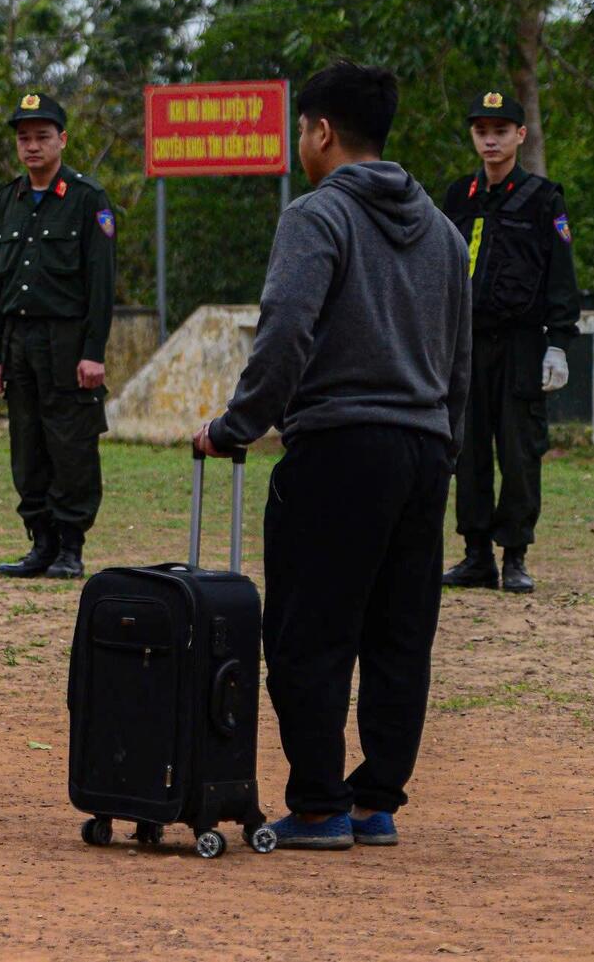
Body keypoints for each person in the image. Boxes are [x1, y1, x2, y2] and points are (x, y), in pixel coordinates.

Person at [195, 60, 470, 851]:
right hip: (424, 452)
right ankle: (375, 797)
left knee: (308, 635)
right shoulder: (447, 235)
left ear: (320, 131)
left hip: (341, 448)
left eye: (300, 131)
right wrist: (441, 446)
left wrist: (237, 423)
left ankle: (318, 805)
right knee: (397, 635)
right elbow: (459, 362)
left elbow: (284, 332)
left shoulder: (316, 217)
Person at [439, 91, 579, 595]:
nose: (490, 139)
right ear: (474, 136)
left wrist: (559, 343)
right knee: (467, 450)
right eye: (482, 130)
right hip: (467, 344)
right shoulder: (460, 196)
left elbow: (562, 276)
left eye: (501, 130)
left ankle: (514, 555)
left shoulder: (544, 199)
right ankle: (476, 555)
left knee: (519, 453)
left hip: (522, 342)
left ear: (520, 135)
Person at [0, 93, 117, 580]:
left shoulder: (87, 200)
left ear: (62, 139)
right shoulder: (7, 200)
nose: (32, 146)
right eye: (23, 138)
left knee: (71, 445)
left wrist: (93, 352)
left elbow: (101, 284)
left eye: (42, 136)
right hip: (18, 342)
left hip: (66, 343)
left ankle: (70, 547)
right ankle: (40, 543)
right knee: (28, 444)